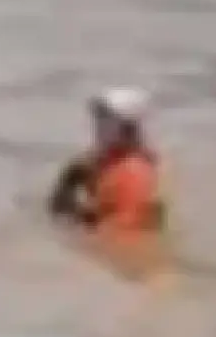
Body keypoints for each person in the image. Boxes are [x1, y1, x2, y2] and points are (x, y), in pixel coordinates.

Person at [50, 89, 167, 233]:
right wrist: (68, 184)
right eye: (98, 117)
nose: (97, 126)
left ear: (128, 129)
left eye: (105, 119)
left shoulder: (131, 173)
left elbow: (123, 239)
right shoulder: (106, 164)